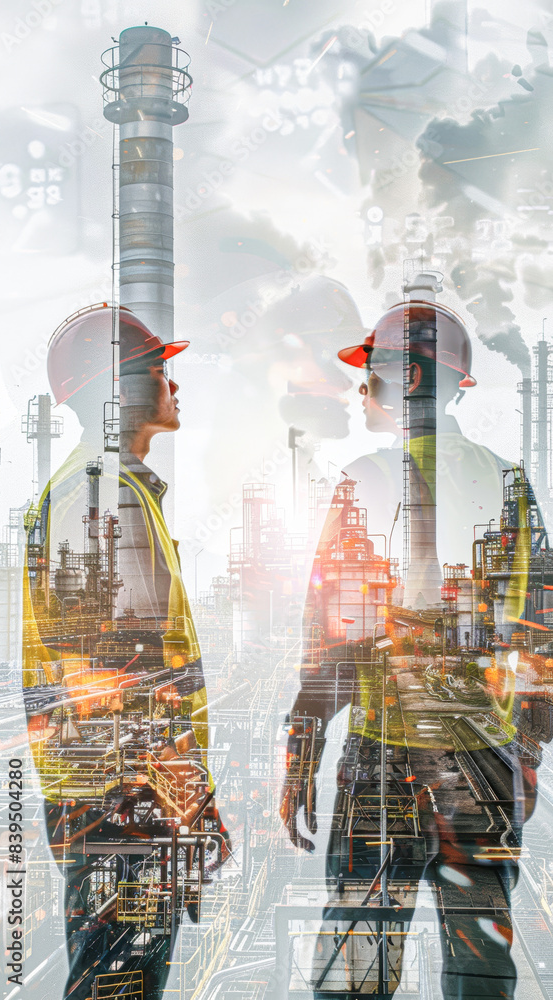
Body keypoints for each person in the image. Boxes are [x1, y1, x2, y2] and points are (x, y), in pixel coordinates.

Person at [281, 282, 550, 998]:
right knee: (479, 966)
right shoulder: (511, 485)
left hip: (382, 767)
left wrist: (300, 753)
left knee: (356, 972)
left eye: (371, 372)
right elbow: (543, 638)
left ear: (407, 377)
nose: (361, 388)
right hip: (483, 769)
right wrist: (524, 757)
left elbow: (329, 642)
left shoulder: (361, 484)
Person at [23, 303, 227, 1000]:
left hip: (116, 794)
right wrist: (190, 805)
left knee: (116, 975)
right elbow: (127, 677)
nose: (175, 384)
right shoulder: (106, 493)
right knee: (121, 980)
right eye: (158, 369)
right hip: (123, 799)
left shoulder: (107, 486)